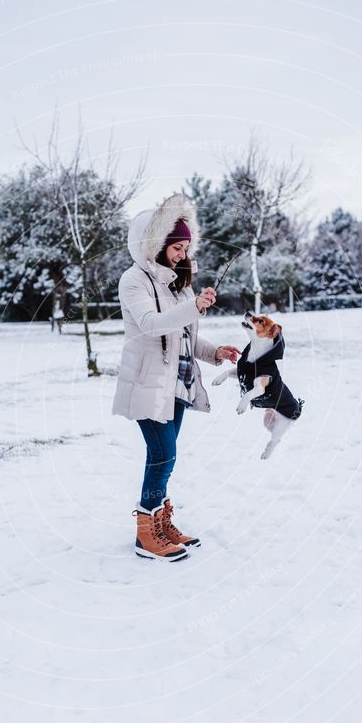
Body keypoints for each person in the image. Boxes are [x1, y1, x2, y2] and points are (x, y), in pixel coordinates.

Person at [112, 194, 240, 561]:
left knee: (167, 457)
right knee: (162, 453)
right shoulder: (134, 280)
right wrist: (193, 305)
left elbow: (184, 336)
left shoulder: (177, 285)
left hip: (178, 383)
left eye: (186, 247)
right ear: (157, 245)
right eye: (177, 247)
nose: (183, 254)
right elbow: (151, 326)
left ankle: (162, 523)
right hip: (148, 383)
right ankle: (146, 533)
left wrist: (215, 352)